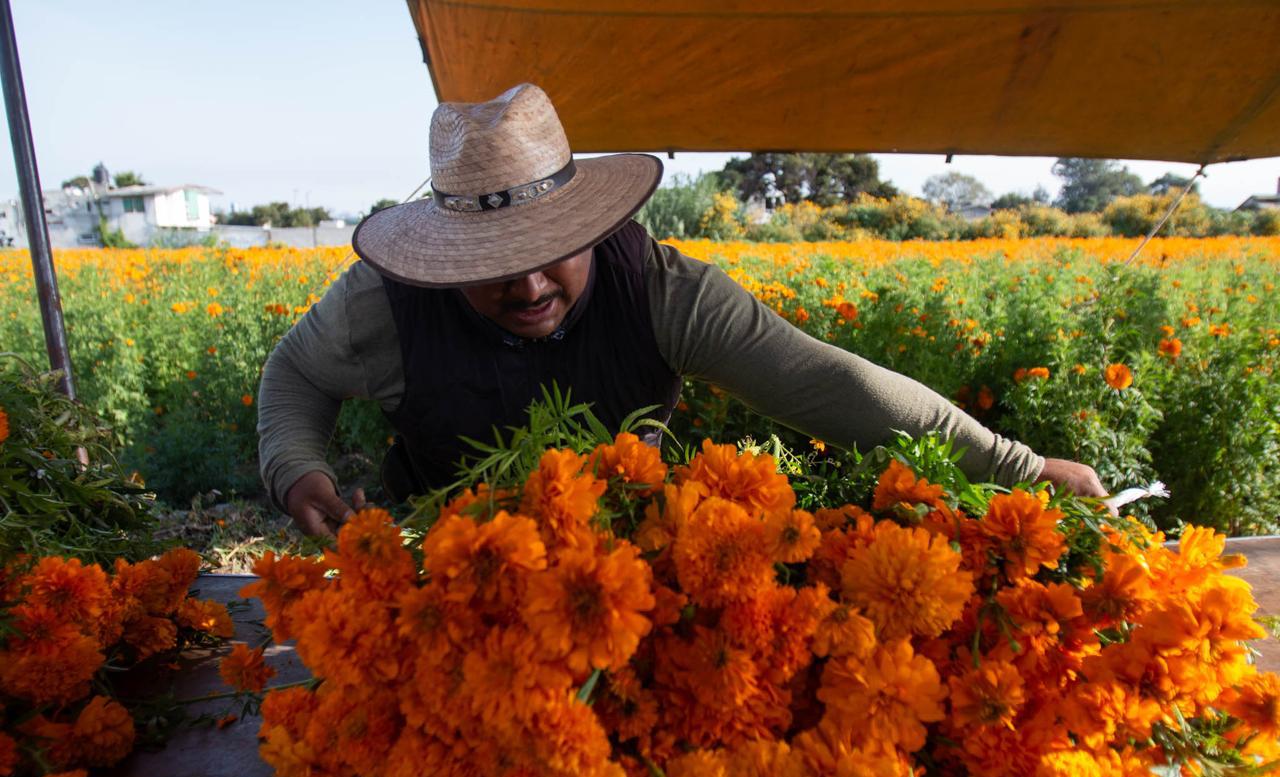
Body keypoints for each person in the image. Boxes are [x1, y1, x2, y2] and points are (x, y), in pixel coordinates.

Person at [257, 83, 1105, 537]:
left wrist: (1019, 469)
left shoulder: (661, 291)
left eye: (551, 252)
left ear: (590, 226)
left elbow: (829, 383)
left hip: (625, 565)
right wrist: (296, 466)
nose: (530, 287)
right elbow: (296, 372)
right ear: (447, 261)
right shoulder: (384, 304)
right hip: (445, 564)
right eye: (494, 269)